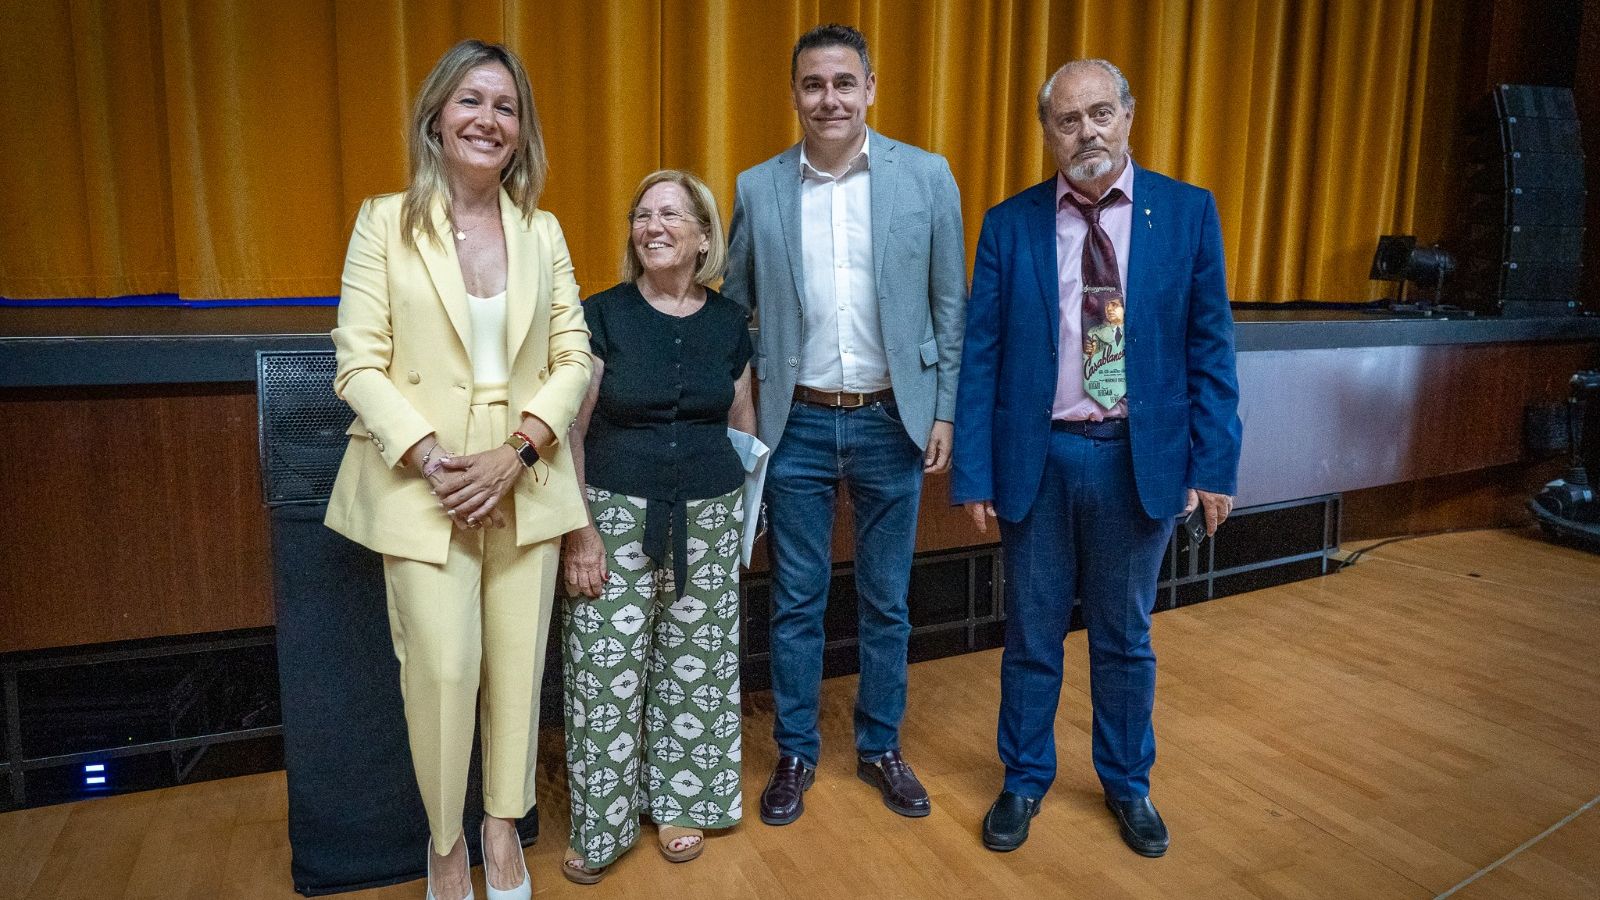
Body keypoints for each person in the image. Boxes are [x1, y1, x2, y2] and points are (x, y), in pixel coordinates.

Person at [951, 58, 1242, 857]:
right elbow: (982, 356)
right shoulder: (1009, 224)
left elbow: (1212, 348)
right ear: (1048, 133)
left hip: (1137, 460)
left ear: (1129, 116)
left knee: (1125, 638)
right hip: (1038, 459)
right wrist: (974, 469)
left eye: (1101, 113)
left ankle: (1127, 783)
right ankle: (1023, 779)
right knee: (1032, 637)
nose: (1087, 132)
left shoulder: (1186, 213)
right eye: (1068, 120)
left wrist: (1214, 465)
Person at [324, 39, 592, 900]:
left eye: (506, 107)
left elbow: (574, 357)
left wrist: (516, 453)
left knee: (517, 667)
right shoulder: (383, 221)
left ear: (522, 131)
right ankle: (446, 843)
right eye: (471, 101)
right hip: (423, 477)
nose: (488, 119)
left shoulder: (542, 231)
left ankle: (502, 830)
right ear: (437, 116)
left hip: (524, 467)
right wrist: (438, 461)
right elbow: (356, 362)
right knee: (441, 671)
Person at [722, 23, 967, 826]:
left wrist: (944, 409)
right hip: (796, 424)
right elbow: (734, 312)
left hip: (892, 421)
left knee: (887, 601)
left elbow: (949, 305)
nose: (829, 98)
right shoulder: (757, 188)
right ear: (795, 94)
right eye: (813, 84)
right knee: (796, 599)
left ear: (870, 89)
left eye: (843, 82)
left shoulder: (926, 176)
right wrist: (745, 418)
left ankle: (880, 746)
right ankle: (795, 751)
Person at [558, 170, 754, 884]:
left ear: (703, 235)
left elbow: (742, 426)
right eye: (642, 215)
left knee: (696, 666)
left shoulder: (729, 322)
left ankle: (682, 804)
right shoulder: (601, 315)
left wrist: (743, 522)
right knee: (604, 671)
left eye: (671, 214)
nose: (653, 226)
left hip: (709, 515)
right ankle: (602, 825)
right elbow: (570, 432)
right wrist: (579, 533)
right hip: (612, 515)